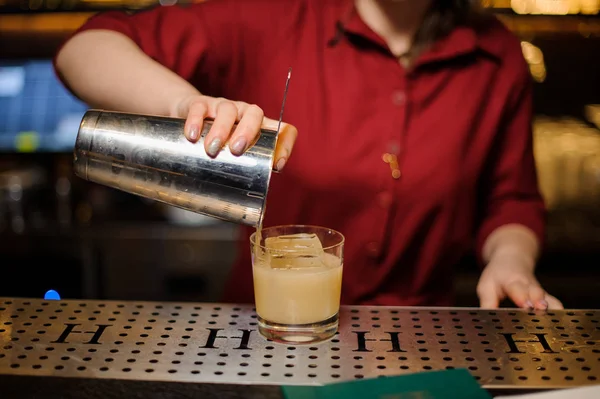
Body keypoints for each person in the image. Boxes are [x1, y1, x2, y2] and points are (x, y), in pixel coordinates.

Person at [55, 0, 563, 310]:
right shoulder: (275, 17)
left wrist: (511, 263)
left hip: (416, 340)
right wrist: (186, 104)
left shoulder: (497, 57)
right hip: (268, 330)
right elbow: (84, 51)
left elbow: (511, 201)